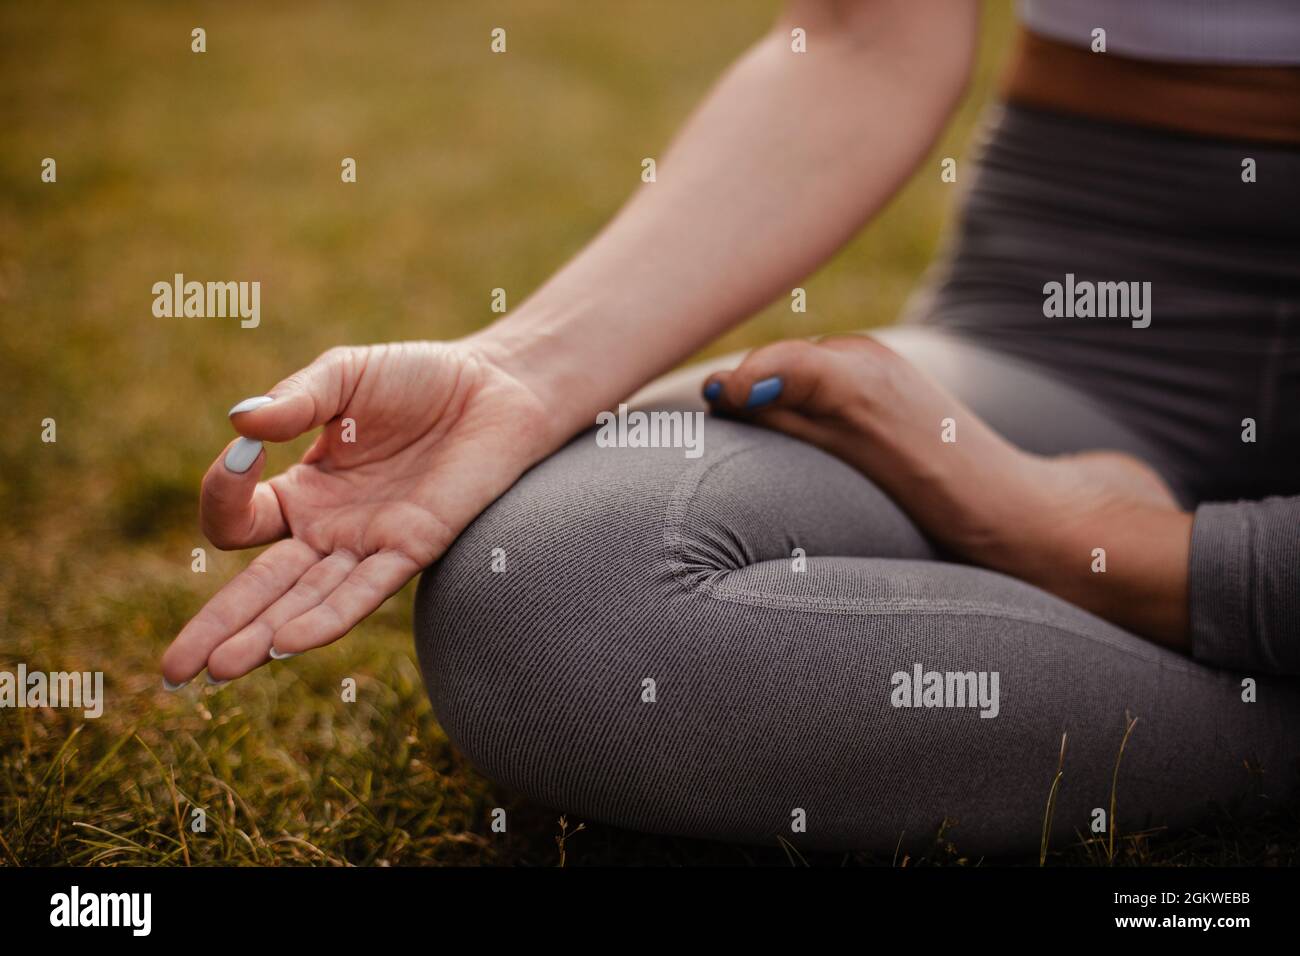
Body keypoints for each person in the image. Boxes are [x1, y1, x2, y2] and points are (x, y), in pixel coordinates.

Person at [160, 0, 1300, 853]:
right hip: (1069, 316)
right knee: (566, 598)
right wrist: (523, 371)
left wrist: (1080, 540)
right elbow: (863, 37)